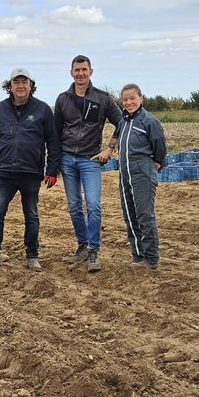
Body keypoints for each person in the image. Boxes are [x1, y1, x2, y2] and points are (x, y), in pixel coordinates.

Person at [0, 68, 60, 271]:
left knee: (31, 216)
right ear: (10, 86)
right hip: (4, 173)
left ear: (31, 85)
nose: (20, 86)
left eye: (24, 82)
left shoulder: (42, 109)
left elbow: (52, 141)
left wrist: (52, 170)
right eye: (16, 82)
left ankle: (32, 256)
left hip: (31, 173)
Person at [53, 54, 122, 272]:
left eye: (84, 70)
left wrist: (109, 148)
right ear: (71, 73)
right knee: (74, 206)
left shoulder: (103, 98)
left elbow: (121, 123)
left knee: (93, 205)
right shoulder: (63, 99)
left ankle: (94, 250)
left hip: (90, 159)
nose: (80, 73)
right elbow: (55, 132)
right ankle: (82, 246)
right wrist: (53, 163)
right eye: (77, 70)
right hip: (67, 159)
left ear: (91, 72)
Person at [116, 83, 166, 269]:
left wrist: (157, 163)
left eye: (132, 98)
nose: (129, 102)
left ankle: (151, 258)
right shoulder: (124, 122)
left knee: (144, 215)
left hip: (143, 174)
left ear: (141, 98)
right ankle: (137, 254)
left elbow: (160, 147)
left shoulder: (149, 121)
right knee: (130, 215)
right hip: (125, 175)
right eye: (125, 99)